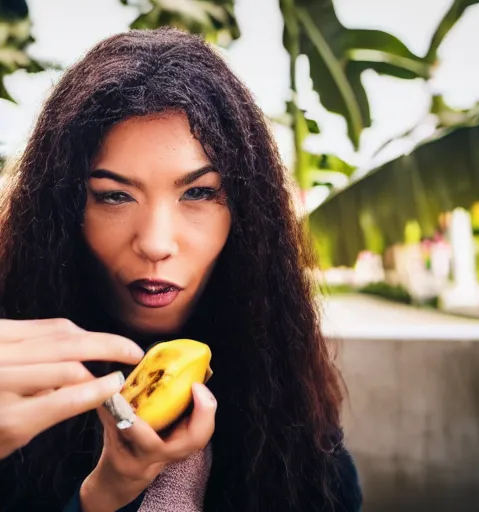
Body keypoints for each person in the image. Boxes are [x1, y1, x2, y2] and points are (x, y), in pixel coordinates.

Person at [0, 28, 362, 512]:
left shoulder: (298, 427)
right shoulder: (13, 391)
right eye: (113, 195)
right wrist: (102, 496)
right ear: (63, 210)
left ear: (248, 215)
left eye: (198, 193)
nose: (154, 243)